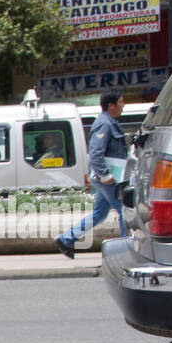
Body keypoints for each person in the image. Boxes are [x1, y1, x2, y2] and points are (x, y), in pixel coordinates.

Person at [56, 88, 127, 257]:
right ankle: (126, 250)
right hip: (107, 178)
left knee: (100, 213)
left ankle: (66, 239)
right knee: (124, 210)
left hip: (107, 177)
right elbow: (95, 153)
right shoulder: (105, 124)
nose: (123, 106)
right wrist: (105, 175)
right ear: (111, 105)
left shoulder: (109, 122)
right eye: (121, 102)